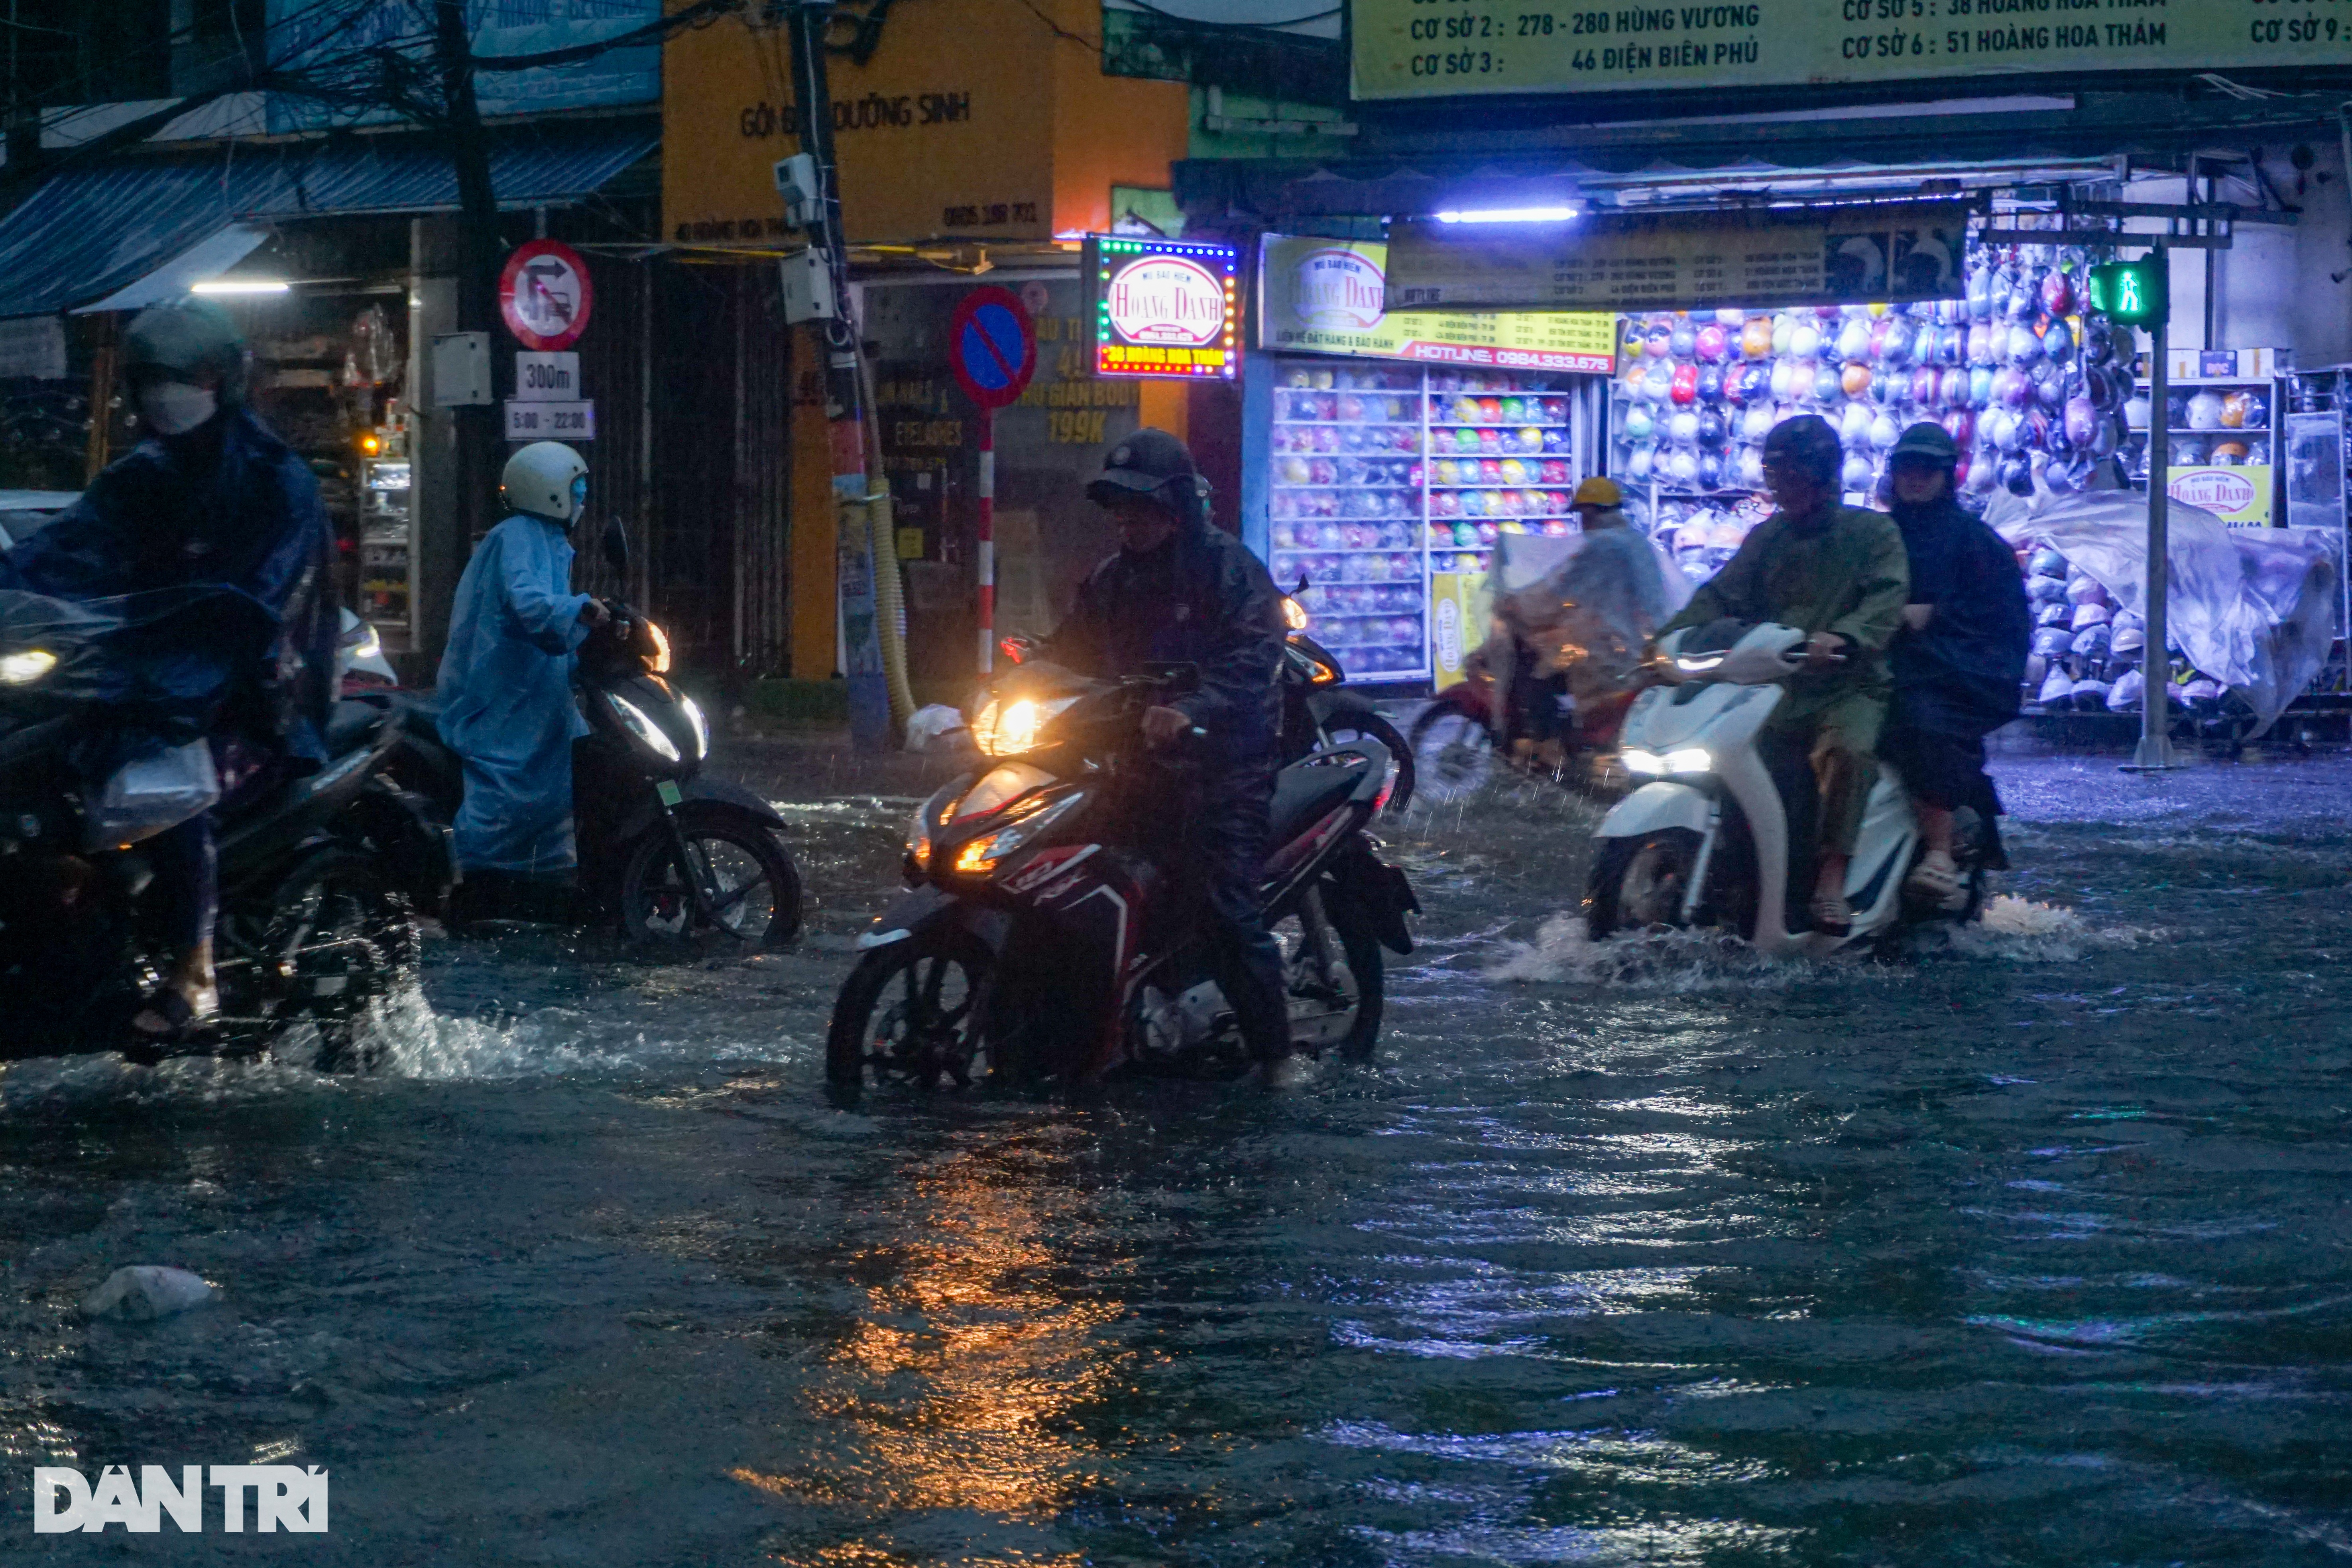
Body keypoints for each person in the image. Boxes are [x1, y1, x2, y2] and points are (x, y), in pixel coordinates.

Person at [2, 300, 333, 1037]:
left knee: (164, 786)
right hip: (139, 679)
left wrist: (195, 657)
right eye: (150, 379)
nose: (165, 393)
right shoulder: (141, 476)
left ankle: (195, 965)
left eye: (186, 377)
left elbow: (267, 603)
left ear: (226, 378)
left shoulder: (279, 484)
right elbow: (61, 552)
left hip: (251, 696)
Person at [1041, 429, 1294, 1084]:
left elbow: (1253, 658)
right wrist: (994, 691)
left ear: (1177, 507)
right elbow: (1067, 650)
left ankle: (1278, 1059)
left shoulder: (1228, 569)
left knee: (1229, 910)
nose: (1127, 518)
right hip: (1134, 766)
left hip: (1223, 771)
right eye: (1119, 506)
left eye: (1142, 505)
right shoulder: (1110, 578)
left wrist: (1194, 709)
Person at [1658, 415, 1910, 935]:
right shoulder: (1766, 538)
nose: (1781, 490)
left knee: (1847, 753)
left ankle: (1831, 880)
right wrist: (1665, 642)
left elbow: (1886, 599)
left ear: (1824, 478)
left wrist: (1844, 638)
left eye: (1792, 479)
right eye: (1775, 479)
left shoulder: (1873, 532)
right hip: (1771, 687)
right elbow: (1718, 596)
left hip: (1847, 685)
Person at [435, 441, 609, 918]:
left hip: (533, 687)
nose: (582, 499)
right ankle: (475, 885)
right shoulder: (517, 536)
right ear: (551, 492)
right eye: (577, 489)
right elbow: (530, 604)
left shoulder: (549, 540)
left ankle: (547, 885)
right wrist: (582, 608)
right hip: (502, 692)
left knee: (556, 786)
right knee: (507, 789)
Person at [1878, 422, 2030, 906]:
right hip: (1875, 660)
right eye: (1907, 468)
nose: (1916, 478)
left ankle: (1939, 850)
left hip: (1958, 671)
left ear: (1948, 476)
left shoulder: (1975, 542)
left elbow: (2001, 617)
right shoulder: (1875, 535)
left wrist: (1934, 617)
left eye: (1927, 469)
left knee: (1919, 718)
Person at [1497, 476, 1674, 772]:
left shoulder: (1603, 546)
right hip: (1639, 640)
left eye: (1582, 514)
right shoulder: (1634, 540)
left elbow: (1558, 590)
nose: (1582, 522)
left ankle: (1549, 748)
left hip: (1611, 647)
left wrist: (1517, 603)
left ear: (1590, 513)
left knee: (1537, 669)